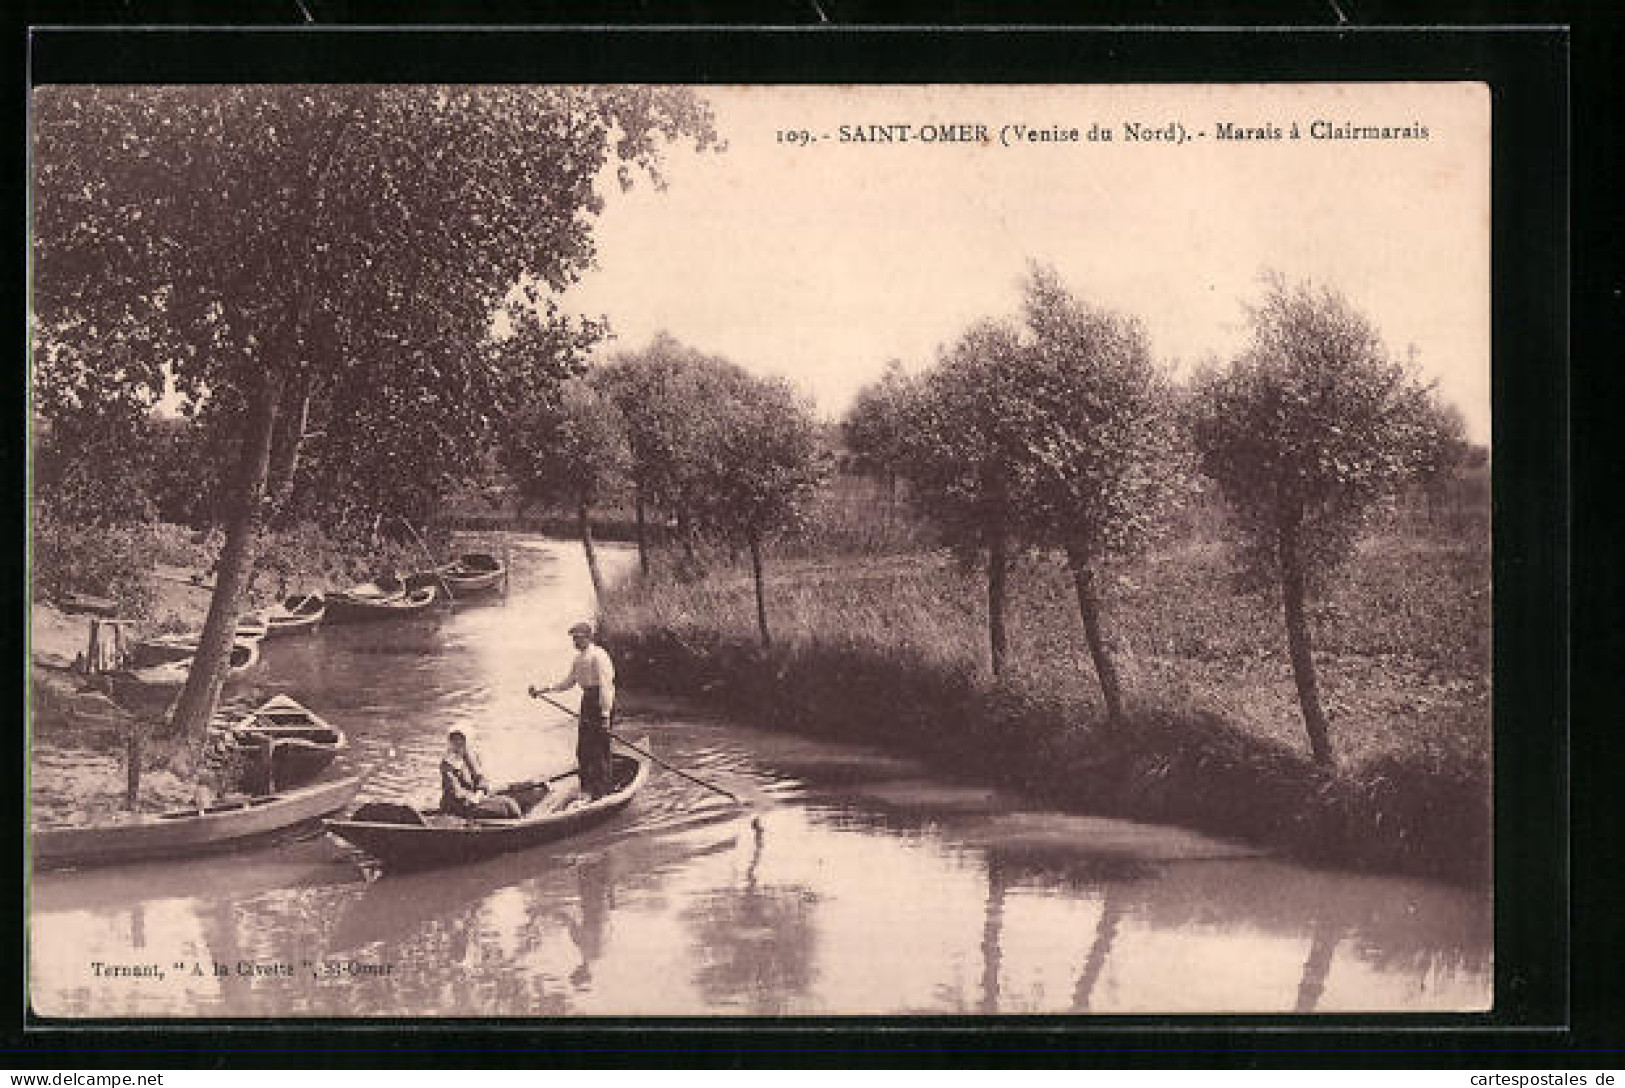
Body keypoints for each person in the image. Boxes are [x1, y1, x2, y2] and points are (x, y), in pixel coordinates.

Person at [529, 621, 616, 799]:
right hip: (587, 701)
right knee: (583, 748)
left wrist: (605, 716)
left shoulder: (599, 656)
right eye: (573, 638)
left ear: (587, 637)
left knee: (599, 748)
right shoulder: (578, 659)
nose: (574, 642)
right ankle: (586, 788)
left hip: (600, 701)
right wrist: (544, 689)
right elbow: (569, 682)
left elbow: (606, 687)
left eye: (577, 638)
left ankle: (603, 790)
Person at [439, 730, 522, 819]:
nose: (458, 743)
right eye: (454, 740)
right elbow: (455, 790)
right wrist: (471, 798)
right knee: (504, 810)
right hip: (456, 805)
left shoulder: (470, 757)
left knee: (510, 805)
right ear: (450, 743)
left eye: (461, 740)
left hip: (475, 800)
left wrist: (479, 794)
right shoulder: (447, 763)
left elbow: (481, 779)